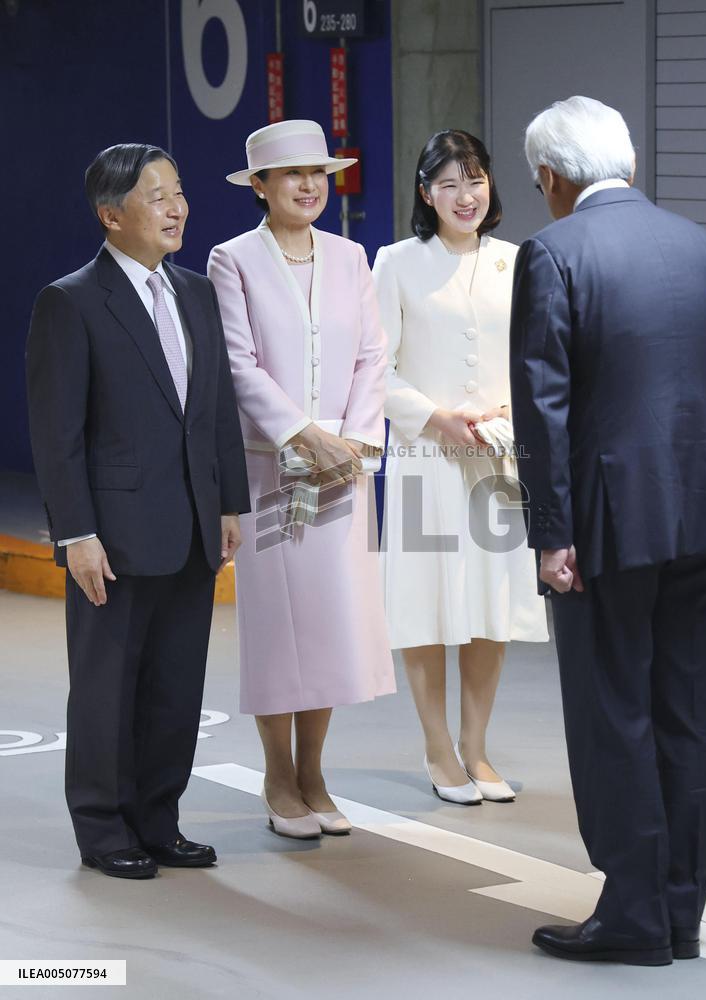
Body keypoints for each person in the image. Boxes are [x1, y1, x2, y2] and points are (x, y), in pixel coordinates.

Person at [510, 96, 706, 965]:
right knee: (691, 717)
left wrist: (551, 533)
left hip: (606, 527)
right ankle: (683, 908)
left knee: (613, 712)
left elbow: (542, 410)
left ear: (551, 175)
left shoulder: (552, 253)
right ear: (631, 162)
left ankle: (632, 911)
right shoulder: (705, 250)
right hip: (700, 519)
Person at [26, 143, 250, 879]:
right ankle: (103, 828)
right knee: (105, 688)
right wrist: (76, 534)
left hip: (190, 526)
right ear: (110, 215)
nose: (177, 206)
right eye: (157, 196)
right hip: (113, 537)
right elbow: (57, 436)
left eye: (178, 191)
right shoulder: (71, 300)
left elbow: (215, 410)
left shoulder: (195, 293)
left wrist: (229, 504)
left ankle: (159, 820)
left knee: (175, 685)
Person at [208, 120, 395, 840]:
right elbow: (238, 361)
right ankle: (276, 776)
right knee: (278, 627)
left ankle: (314, 771)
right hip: (269, 470)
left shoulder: (352, 259)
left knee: (331, 625)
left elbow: (372, 358)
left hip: (344, 469)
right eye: (292, 175)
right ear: (260, 187)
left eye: (318, 172)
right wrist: (303, 433)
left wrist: (351, 440)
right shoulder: (234, 261)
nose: (310, 185)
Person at [373, 130, 548, 806]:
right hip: (425, 456)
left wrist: (512, 408)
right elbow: (374, 369)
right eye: (447, 183)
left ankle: (477, 748)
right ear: (425, 194)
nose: (463, 194)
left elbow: (536, 356)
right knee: (425, 603)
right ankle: (438, 749)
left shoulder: (518, 261)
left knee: (489, 603)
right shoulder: (396, 262)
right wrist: (434, 417)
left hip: (498, 455)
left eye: (473, 180)